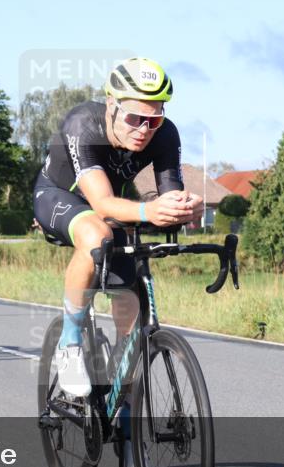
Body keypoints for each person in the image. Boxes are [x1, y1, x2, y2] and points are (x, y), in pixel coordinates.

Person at [32, 58, 203, 397]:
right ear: (111, 104)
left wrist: (184, 207)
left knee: (130, 307)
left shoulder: (163, 133)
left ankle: (120, 396)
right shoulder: (83, 124)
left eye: (154, 120)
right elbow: (102, 203)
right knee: (96, 234)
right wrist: (150, 209)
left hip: (113, 209)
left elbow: (169, 193)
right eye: (135, 118)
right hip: (60, 198)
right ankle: (69, 346)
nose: (144, 129)